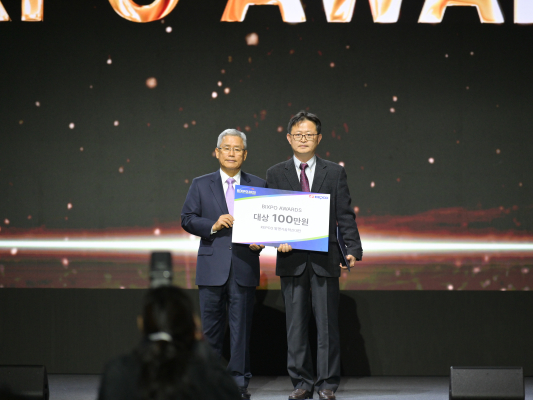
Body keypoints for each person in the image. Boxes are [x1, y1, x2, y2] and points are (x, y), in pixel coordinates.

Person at [265, 111, 363, 400]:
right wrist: (276, 241)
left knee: (327, 325)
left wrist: (353, 249)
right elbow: (269, 216)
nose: (303, 139)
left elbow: (345, 214)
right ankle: (301, 383)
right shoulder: (275, 173)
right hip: (291, 259)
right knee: (295, 326)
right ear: (288, 138)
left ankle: (327, 383)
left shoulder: (334, 172)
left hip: (325, 257)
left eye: (309, 134)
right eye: (298, 134)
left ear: (319, 138)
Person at [180, 129, 266, 399]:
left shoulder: (259, 185)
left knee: (241, 331)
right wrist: (213, 224)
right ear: (216, 152)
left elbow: (267, 224)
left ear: (245, 154)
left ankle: (238, 384)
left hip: (244, 266)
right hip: (211, 268)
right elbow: (187, 218)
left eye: (237, 149)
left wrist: (262, 242)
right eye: (226, 148)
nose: (231, 153)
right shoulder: (200, 184)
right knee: (210, 331)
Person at [97, 286, 241, 400]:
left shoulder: (118, 374)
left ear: (141, 324)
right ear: (194, 324)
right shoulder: (208, 377)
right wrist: (201, 345)